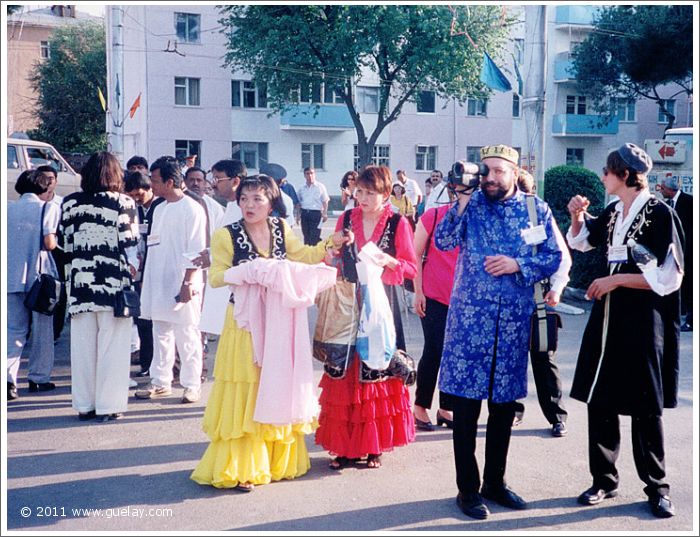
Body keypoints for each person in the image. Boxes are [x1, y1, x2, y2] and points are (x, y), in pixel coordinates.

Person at [191, 175, 351, 491]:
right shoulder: (227, 235)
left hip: (279, 318)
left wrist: (330, 244)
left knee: (274, 382)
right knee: (246, 385)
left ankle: (275, 460)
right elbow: (217, 278)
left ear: (271, 202)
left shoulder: (280, 228)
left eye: (257, 199)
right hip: (244, 320)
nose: (249, 205)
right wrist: (249, 271)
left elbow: (302, 255)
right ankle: (243, 466)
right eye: (245, 199)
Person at [435, 144, 562, 520]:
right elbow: (442, 241)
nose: (489, 177)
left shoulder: (534, 209)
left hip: (510, 327)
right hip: (468, 324)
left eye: (497, 171)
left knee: (503, 410)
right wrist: (459, 199)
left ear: (514, 171)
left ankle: (495, 482)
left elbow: (553, 256)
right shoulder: (471, 205)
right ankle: (467, 490)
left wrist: (516, 263)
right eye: (485, 171)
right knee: (465, 410)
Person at [566, 143, 683, 519]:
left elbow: (670, 276)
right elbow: (584, 242)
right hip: (608, 316)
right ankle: (604, 479)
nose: (602, 177)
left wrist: (616, 282)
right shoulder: (616, 210)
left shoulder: (660, 213)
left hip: (643, 317)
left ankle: (657, 486)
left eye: (607, 171)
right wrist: (576, 217)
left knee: (645, 403)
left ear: (626, 175)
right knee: (601, 397)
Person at [315, 165, 418, 471]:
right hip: (349, 299)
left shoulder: (398, 222)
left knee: (378, 368)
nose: (362, 197)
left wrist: (388, 260)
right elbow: (330, 255)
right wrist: (332, 252)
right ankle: (345, 447)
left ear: (386, 194)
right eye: (359, 191)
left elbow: (410, 268)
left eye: (370, 192)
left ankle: (374, 445)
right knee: (345, 369)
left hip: (382, 302)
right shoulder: (347, 218)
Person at [59, 152, 139, 422]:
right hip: (113, 283)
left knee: (82, 348)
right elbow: (129, 243)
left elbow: (63, 244)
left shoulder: (70, 203)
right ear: (117, 175)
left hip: (80, 284)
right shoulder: (123, 202)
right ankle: (108, 405)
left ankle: (84, 404)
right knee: (112, 347)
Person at [136, 156, 207, 404]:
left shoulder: (192, 208)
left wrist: (188, 282)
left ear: (169, 181)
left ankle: (191, 385)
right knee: (161, 332)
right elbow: (153, 245)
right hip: (158, 281)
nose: (151, 185)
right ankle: (160, 381)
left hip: (183, 282)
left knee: (187, 335)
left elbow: (197, 250)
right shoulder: (160, 208)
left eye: (154, 181)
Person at [512, 169, 571, 437]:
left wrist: (556, 289)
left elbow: (562, 256)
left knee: (543, 358)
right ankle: (512, 411)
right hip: (509, 301)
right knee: (510, 359)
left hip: (537, 298)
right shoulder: (497, 217)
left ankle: (556, 415)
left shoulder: (538, 214)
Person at [7, 170, 58, 401]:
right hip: (39, 278)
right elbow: (49, 243)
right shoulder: (47, 208)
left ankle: (8, 379)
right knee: (42, 330)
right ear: (42, 187)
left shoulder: (7, 208)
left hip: (9, 276)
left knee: (12, 331)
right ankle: (39, 378)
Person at [412, 192, 459, 431]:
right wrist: (417, 291)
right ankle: (420, 407)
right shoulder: (433, 216)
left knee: (455, 354)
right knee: (434, 350)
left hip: (465, 302)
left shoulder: (479, 220)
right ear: (452, 191)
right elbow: (414, 255)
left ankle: (446, 408)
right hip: (434, 296)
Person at [124, 171, 165, 378]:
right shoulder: (134, 210)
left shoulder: (161, 207)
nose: (137, 199)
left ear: (149, 189)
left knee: (159, 323)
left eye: (139, 194)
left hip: (158, 270)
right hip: (140, 273)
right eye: (132, 195)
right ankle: (147, 364)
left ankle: (160, 367)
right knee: (143, 320)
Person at [658, 175, 692, 332]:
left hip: (689, 252)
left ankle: (691, 320)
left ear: (670, 190)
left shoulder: (689, 202)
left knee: (690, 286)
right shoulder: (667, 205)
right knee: (681, 285)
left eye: (663, 188)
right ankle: (682, 314)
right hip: (675, 252)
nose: (661, 191)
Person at [297, 167, 330, 245]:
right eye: (307, 173)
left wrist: (325, 213)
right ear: (304, 175)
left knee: (314, 236)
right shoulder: (301, 188)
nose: (310, 175)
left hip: (316, 214)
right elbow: (298, 203)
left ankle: (316, 254)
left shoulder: (320, 186)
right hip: (305, 214)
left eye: (312, 173)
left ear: (314, 174)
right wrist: (298, 215)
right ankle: (307, 255)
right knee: (306, 236)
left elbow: (325, 201)